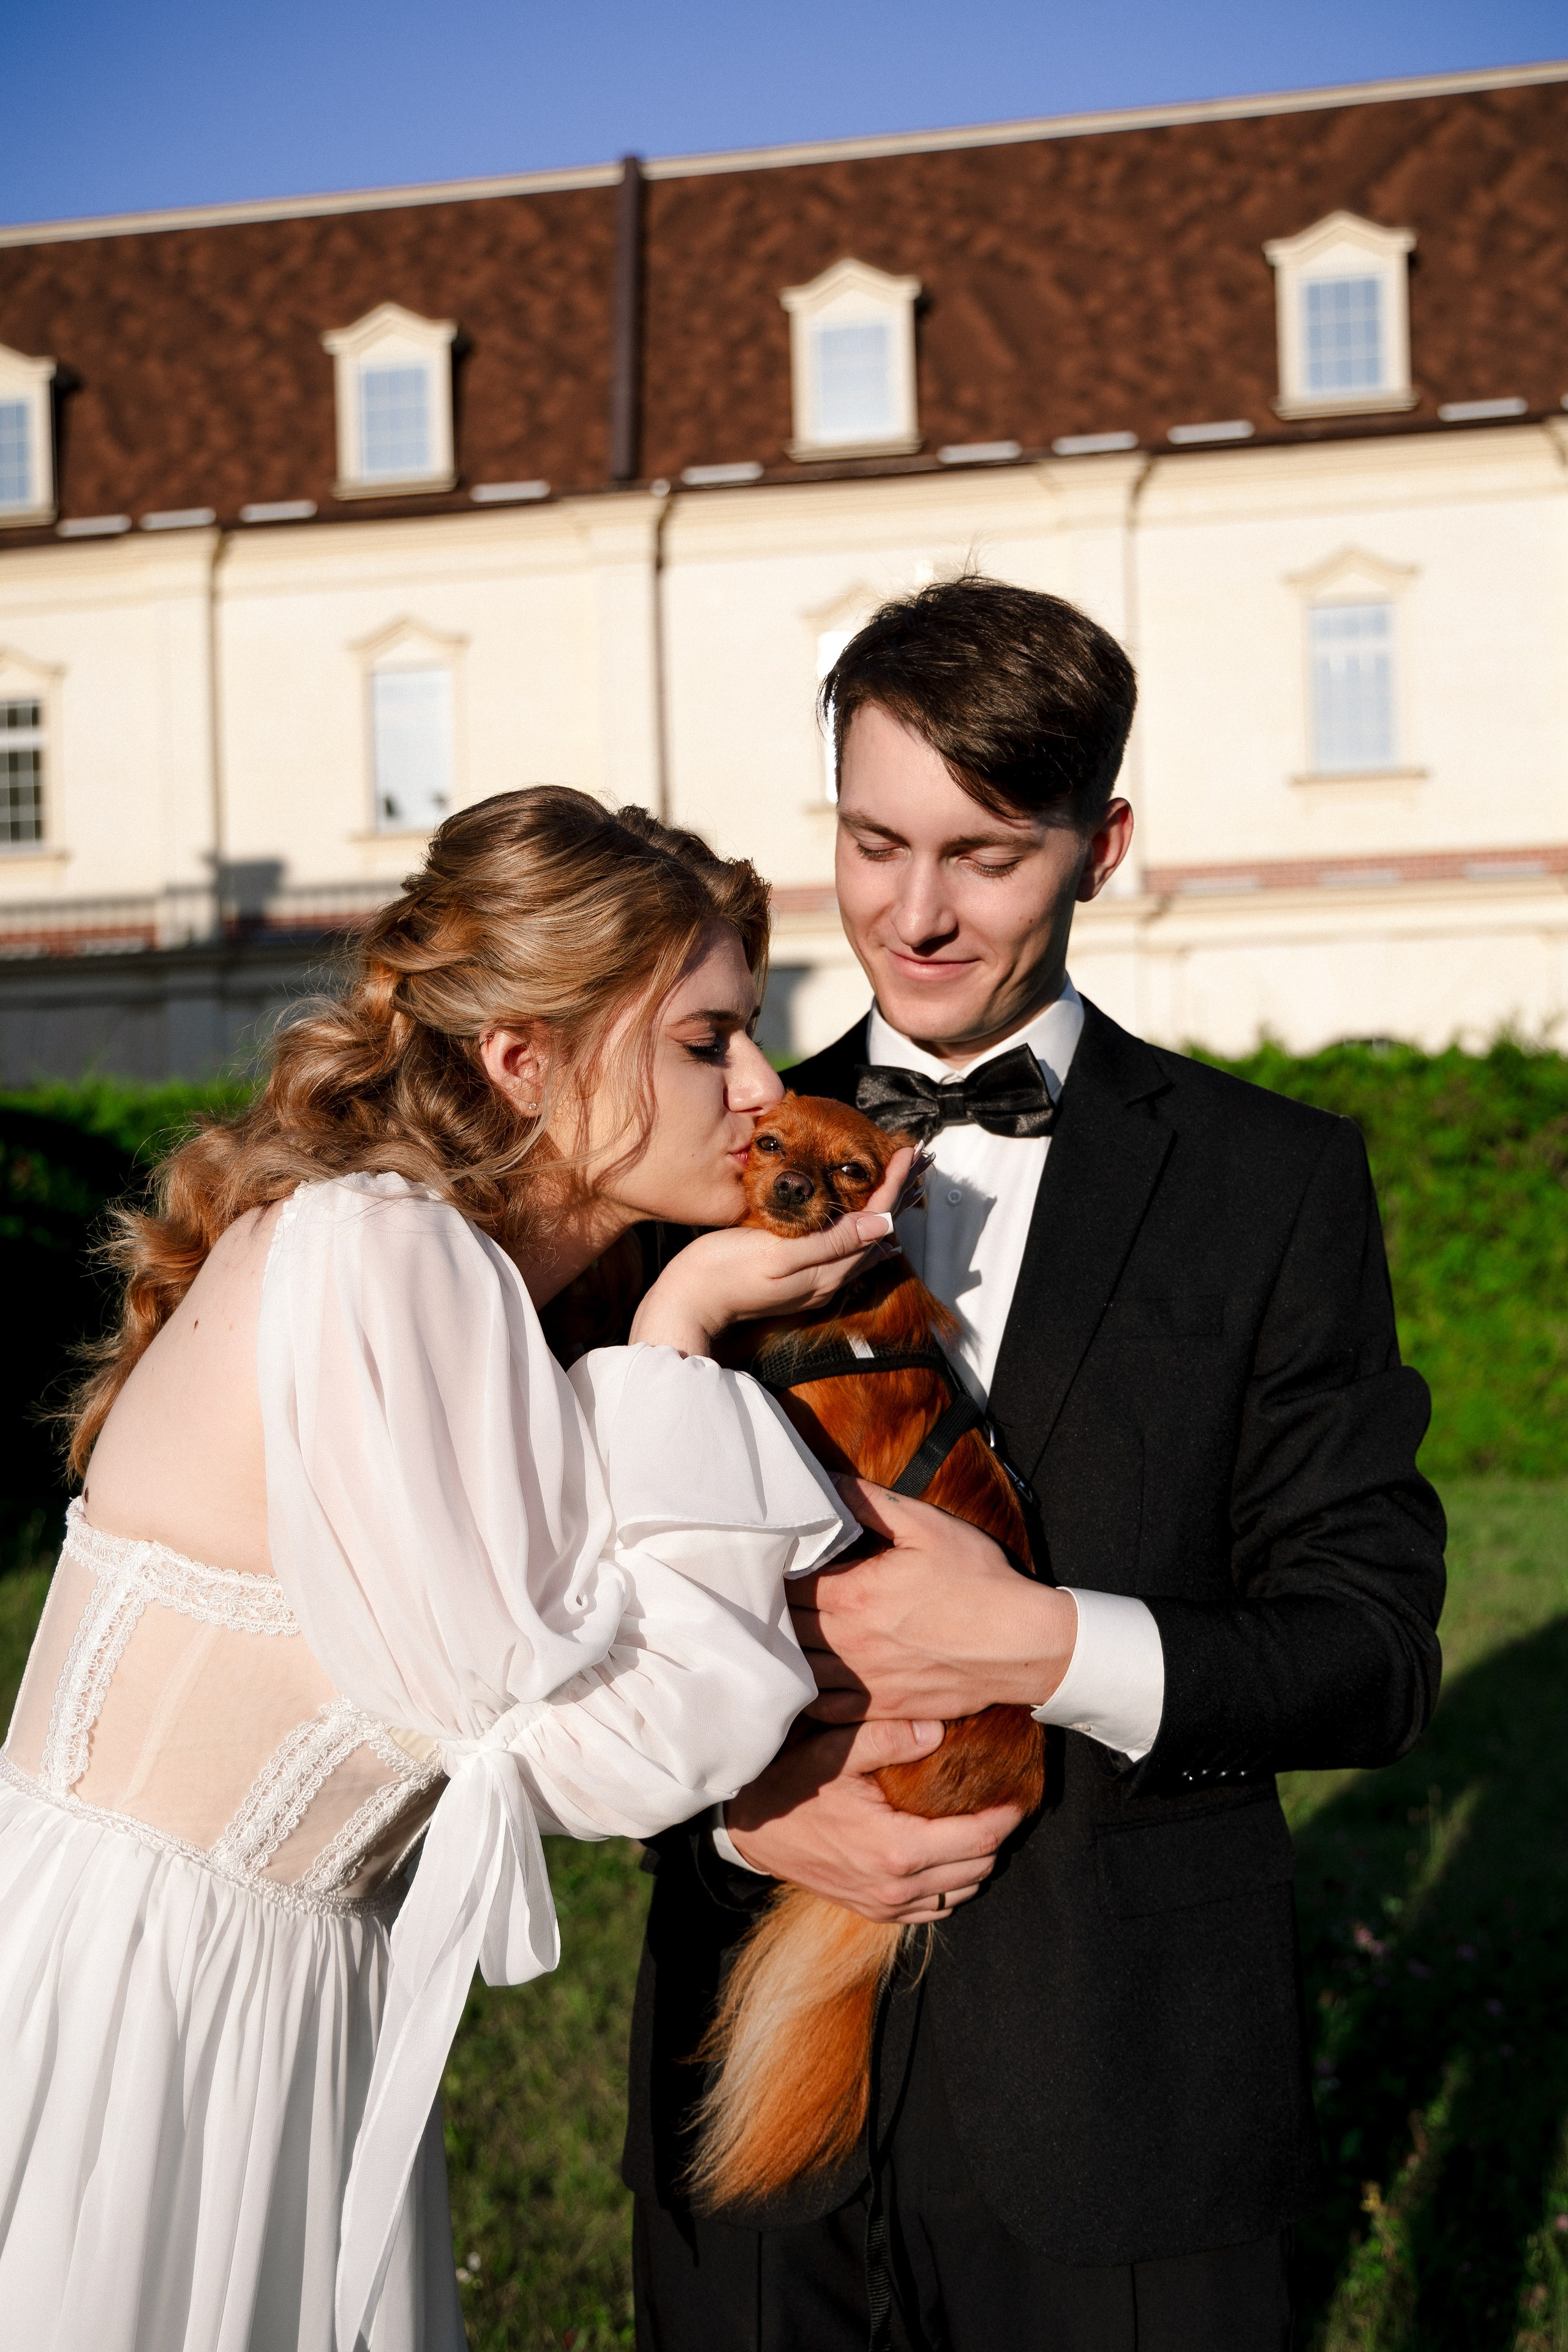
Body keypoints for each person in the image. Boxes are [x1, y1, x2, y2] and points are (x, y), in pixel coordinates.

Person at [625, 579, 1447, 2351]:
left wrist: (1047, 1648)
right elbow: (538, 1606)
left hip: (1126, 2099)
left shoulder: (1271, 1184)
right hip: (748, 2096)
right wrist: (739, 1808)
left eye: (986, 855)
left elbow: (1371, 1651)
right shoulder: (687, 1154)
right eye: (870, 840)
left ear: (1105, 844)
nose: (912, 913)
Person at [0, 787, 914, 2352]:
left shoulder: (451, 1275)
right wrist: (680, 1327)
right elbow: (589, 1748)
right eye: (706, 1040)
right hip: (142, 2006)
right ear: (522, 1057)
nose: (762, 1090)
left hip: (279, 1989)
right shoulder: (382, 1253)